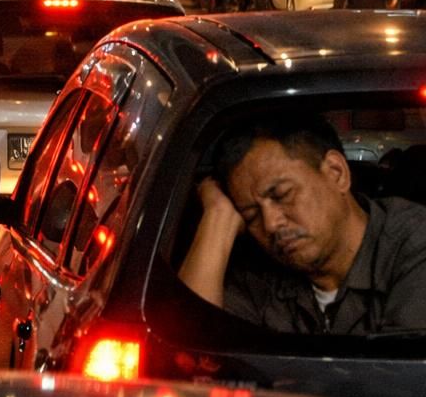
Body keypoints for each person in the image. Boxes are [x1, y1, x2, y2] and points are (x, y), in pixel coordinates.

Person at [179, 113, 426, 333]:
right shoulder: (259, 273)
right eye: (251, 215)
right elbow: (188, 346)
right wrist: (218, 216)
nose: (271, 224)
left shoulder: (414, 244)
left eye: (283, 195)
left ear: (336, 172)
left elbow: (402, 379)